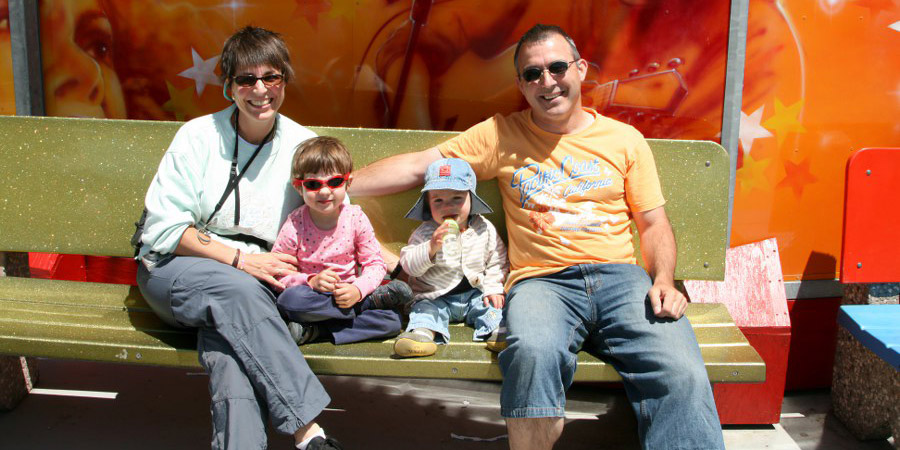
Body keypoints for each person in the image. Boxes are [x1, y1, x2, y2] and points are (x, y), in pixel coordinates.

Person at [351, 24, 724, 450]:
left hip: (622, 281)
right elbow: (421, 166)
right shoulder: (500, 134)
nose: (547, 82)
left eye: (557, 68)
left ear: (580, 70)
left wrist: (663, 279)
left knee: (681, 370)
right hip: (542, 284)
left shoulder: (624, 140)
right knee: (531, 353)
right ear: (521, 84)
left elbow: (654, 224)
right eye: (533, 74)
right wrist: (337, 187)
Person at [136, 26, 342, 450]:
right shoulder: (196, 137)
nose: (260, 90)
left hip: (253, 286)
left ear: (285, 80)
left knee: (231, 348)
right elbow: (165, 229)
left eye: (272, 77)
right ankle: (309, 431)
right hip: (175, 268)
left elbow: (332, 217)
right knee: (236, 293)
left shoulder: (303, 144)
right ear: (228, 87)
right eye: (246, 79)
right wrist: (239, 260)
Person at [272, 136, 412, 345]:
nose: (325, 191)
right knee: (289, 301)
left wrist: (357, 290)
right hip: (312, 298)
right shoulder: (295, 223)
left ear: (348, 184)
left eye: (335, 182)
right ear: (298, 187)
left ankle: (314, 331)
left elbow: (375, 263)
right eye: (313, 184)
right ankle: (362, 308)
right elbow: (279, 272)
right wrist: (310, 281)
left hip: (349, 293)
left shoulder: (355, 217)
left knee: (391, 322)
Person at [393, 158, 509, 358]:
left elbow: (497, 261)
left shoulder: (484, 228)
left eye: (457, 198)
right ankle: (421, 335)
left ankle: (498, 333)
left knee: (492, 307)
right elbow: (409, 265)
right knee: (424, 310)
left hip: (475, 293)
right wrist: (431, 247)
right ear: (428, 205)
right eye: (438, 200)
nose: (448, 206)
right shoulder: (426, 232)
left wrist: (493, 288)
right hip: (435, 295)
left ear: (471, 199)